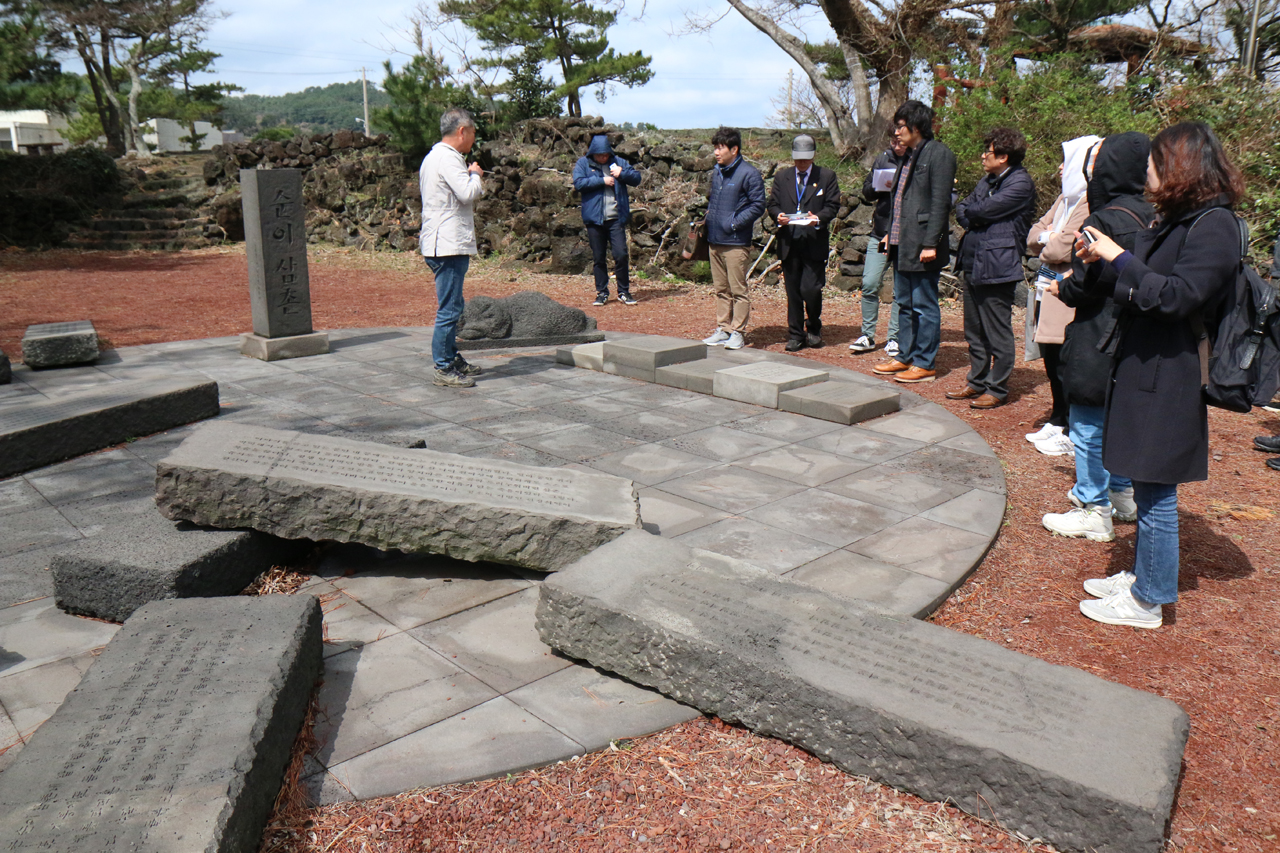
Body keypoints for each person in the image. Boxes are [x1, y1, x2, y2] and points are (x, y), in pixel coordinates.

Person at [1073, 121, 1244, 629]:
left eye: (1153, 161)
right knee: (1144, 479)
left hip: (1172, 369)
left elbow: (1175, 297)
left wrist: (1118, 256)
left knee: (1156, 488)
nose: (1145, 170)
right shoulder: (1174, 220)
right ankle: (1143, 576)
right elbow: (1136, 284)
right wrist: (1102, 264)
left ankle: (1149, 600)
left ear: (1178, 166)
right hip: (1144, 361)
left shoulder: (1215, 224)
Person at [1041, 132, 1154, 543]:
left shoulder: (1102, 219)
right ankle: (1122, 495)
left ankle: (1093, 506)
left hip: (1097, 330)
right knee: (1119, 418)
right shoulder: (1152, 214)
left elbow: (1089, 282)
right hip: (1136, 332)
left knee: (1087, 421)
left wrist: (1063, 288)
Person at [949, 127, 1036, 408]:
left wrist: (975, 212)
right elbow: (963, 208)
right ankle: (976, 382)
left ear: (1004, 156)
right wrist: (974, 212)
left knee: (997, 330)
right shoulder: (988, 180)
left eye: (988, 151)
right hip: (973, 262)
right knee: (974, 330)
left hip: (998, 266)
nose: (983, 156)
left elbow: (980, 211)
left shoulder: (1020, 183)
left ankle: (997, 388)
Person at [1024, 135, 1101, 453]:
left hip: (1066, 286)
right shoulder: (1064, 199)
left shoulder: (1088, 200)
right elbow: (1033, 236)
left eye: (1067, 162)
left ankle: (1069, 426)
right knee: (1049, 354)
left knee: (1066, 357)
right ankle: (1057, 418)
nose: (1059, 167)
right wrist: (1050, 237)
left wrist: (1049, 238)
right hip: (1046, 284)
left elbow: (1061, 246)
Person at [873, 100, 956, 383]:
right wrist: (890, 233)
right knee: (905, 304)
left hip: (923, 245)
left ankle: (925, 363)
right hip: (901, 242)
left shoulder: (938, 154)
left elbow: (940, 203)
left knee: (924, 305)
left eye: (900, 126)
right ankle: (904, 356)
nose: (896, 132)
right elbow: (900, 202)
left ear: (916, 126)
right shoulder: (907, 156)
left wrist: (931, 243)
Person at [420, 108, 485, 388]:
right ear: (462, 131)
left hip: (441, 241)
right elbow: (468, 193)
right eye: (472, 132)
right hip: (447, 244)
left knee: (454, 305)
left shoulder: (433, 157)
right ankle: (443, 366)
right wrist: (475, 174)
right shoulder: (448, 159)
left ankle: (450, 356)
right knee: (449, 308)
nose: (473, 138)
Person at [766, 134, 841, 351]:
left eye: (806, 159)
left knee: (811, 289)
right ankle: (796, 333)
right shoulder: (782, 177)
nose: (802, 163)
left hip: (813, 240)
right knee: (793, 290)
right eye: (798, 159)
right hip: (789, 241)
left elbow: (832, 206)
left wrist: (817, 218)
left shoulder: (826, 176)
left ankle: (814, 326)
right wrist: (778, 215)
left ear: (813, 156)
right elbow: (772, 204)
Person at [701, 127, 766, 351]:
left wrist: (734, 223)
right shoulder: (717, 172)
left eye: (720, 148)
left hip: (736, 242)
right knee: (720, 289)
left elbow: (758, 205)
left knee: (738, 290)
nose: (716, 153)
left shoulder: (750, 173)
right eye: (715, 148)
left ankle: (738, 332)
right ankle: (723, 329)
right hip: (715, 240)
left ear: (734, 149)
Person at [851, 135, 909, 356]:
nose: (896, 146)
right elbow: (866, 191)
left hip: (905, 238)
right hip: (881, 235)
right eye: (893, 141)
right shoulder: (883, 158)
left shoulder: (917, 161)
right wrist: (879, 186)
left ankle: (894, 337)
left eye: (900, 142)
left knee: (900, 288)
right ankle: (867, 334)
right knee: (870, 281)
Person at [573, 134, 642, 307]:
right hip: (594, 219)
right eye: (599, 155)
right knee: (599, 257)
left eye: (605, 154)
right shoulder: (583, 163)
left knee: (621, 255)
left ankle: (624, 292)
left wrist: (622, 173)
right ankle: (602, 292)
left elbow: (637, 178)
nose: (603, 157)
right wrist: (602, 180)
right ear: (593, 153)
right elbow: (579, 183)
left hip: (616, 218)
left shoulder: (619, 162)